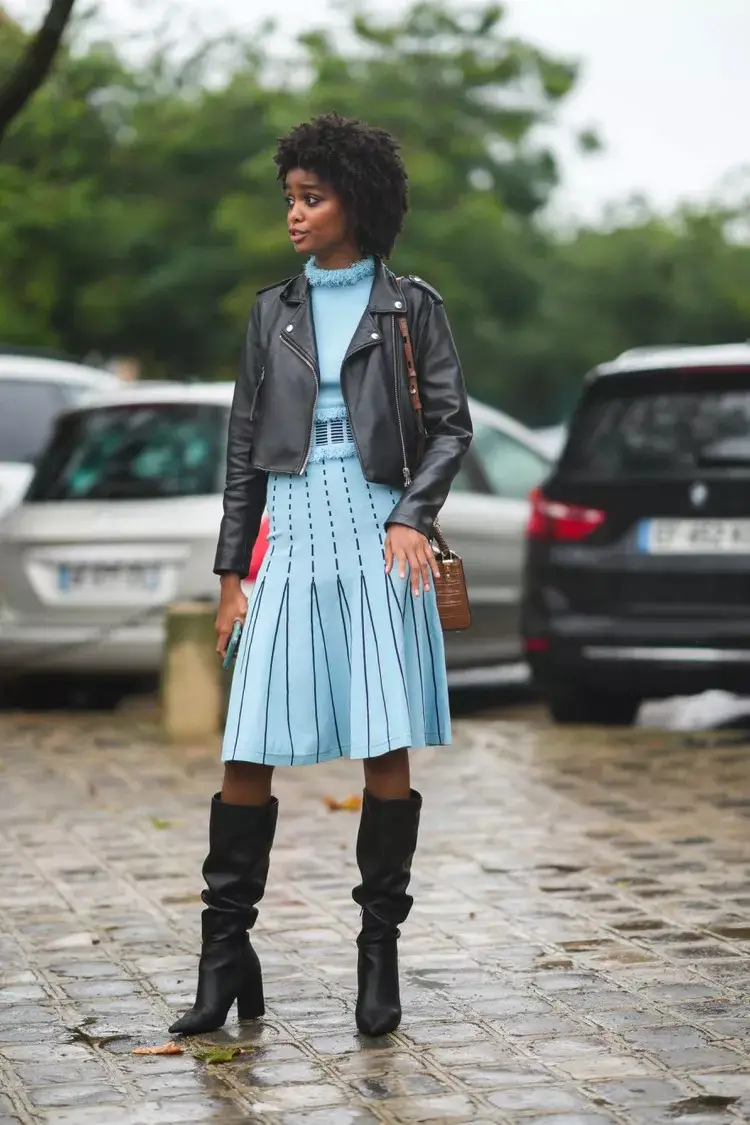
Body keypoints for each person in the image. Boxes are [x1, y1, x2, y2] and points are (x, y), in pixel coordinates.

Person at [169, 113, 472, 1039]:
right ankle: (226, 953)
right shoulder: (272, 310)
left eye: (314, 197)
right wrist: (232, 574)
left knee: (384, 745)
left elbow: (453, 425)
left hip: (381, 539)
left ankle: (377, 952)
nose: (295, 214)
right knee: (246, 745)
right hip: (291, 541)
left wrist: (412, 517)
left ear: (359, 201)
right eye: (290, 198)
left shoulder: (410, 305)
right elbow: (241, 453)